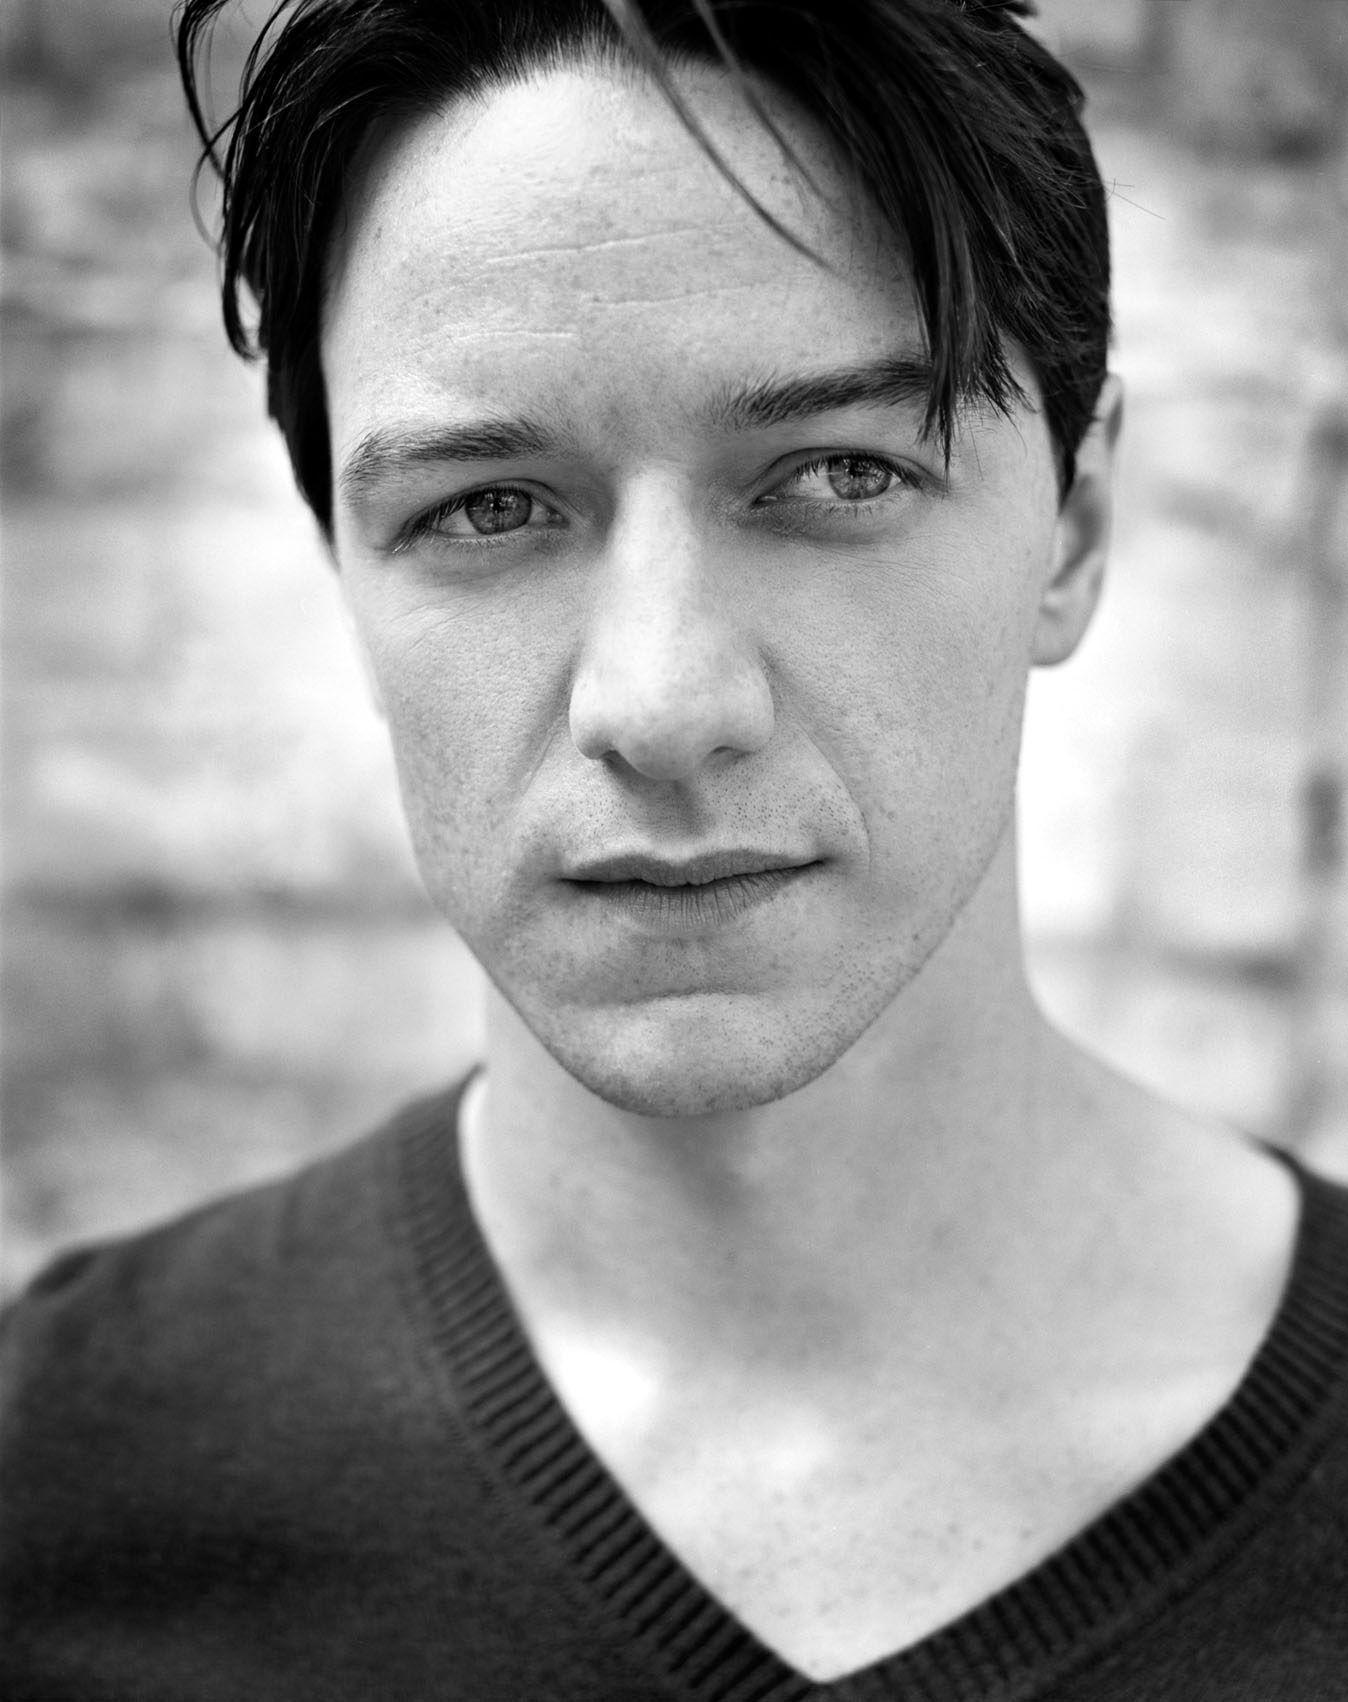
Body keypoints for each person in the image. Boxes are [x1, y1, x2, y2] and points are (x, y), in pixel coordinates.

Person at [3, 1, 1346, 1696]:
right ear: (346, 571)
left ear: (1073, 527)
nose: (658, 701)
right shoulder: (60, 1486)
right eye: (486, 506)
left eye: (837, 473)